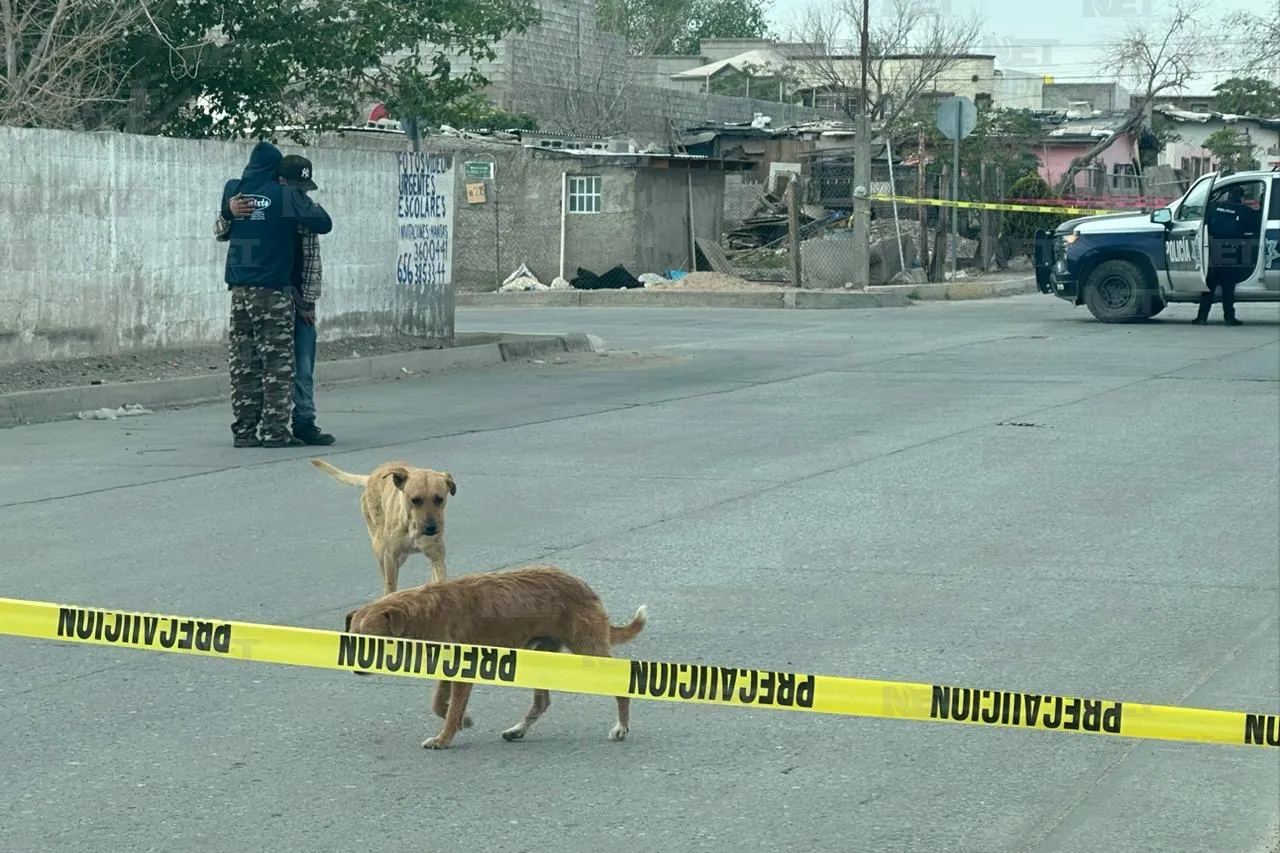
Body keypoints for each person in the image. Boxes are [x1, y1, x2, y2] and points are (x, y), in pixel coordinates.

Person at [215, 141, 333, 448]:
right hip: (273, 291)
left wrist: (230, 212)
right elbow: (324, 223)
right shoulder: (285, 196)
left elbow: (220, 231)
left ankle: (243, 431)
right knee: (277, 366)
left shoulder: (234, 191)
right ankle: (274, 432)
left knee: (244, 364)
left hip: (239, 291)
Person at [277, 154, 335, 446]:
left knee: (303, 364)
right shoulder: (271, 208)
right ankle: (276, 424)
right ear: (281, 182)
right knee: (277, 365)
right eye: (295, 187)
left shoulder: (305, 211)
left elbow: (312, 258)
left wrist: (307, 302)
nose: (300, 193)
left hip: (299, 299)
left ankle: (304, 420)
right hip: (275, 295)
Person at [1194, 184, 1254, 326]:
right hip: (1232, 251)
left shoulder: (1215, 207)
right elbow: (1252, 225)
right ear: (1240, 197)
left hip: (1215, 249)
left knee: (1210, 286)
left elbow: (1205, 222)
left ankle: (1202, 317)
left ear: (1228, 195)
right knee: (1228, 287)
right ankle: (1229, 317)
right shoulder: (1243, 210)